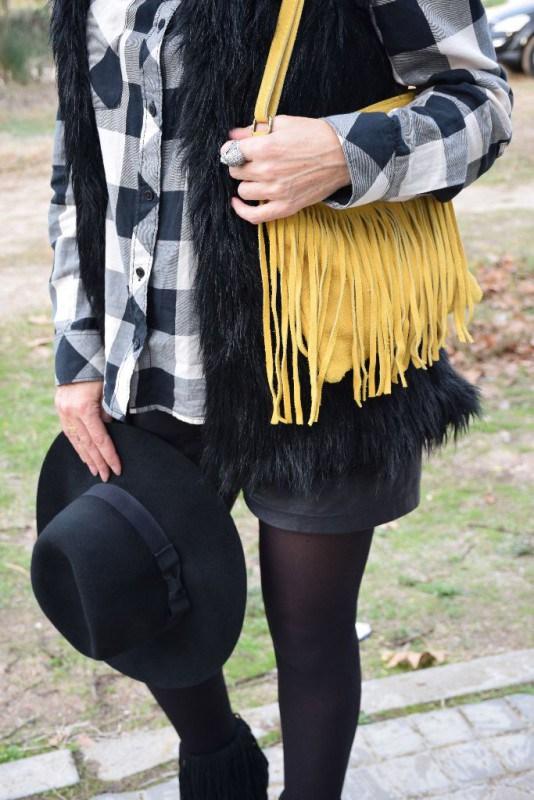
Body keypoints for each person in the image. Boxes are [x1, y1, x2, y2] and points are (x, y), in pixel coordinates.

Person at [46, 1, 513, 798]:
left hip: (317, 355)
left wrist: (343, 152)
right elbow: (77, 159)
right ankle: (220, 764)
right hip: (147, 358)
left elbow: (481, 106)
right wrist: (78, 350)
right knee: (136, 592)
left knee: (312, 632)